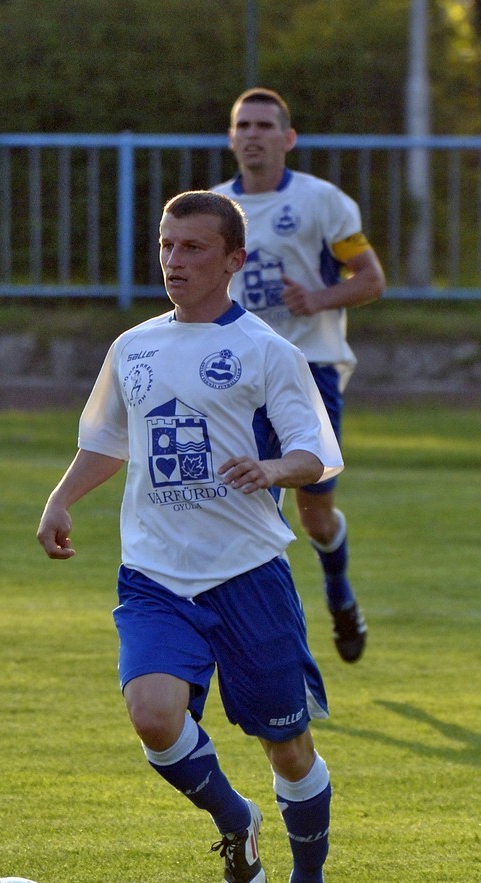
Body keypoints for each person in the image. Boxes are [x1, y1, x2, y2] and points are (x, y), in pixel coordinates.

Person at [37, 190, 344, 883]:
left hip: (248, 576)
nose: (174, 261)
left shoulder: (267, 351)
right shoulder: (133, 347)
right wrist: (62, 498)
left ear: (233, 260)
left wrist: (272, 467)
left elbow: (316, 453)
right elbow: (106, 441)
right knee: (152, 715)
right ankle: (236, 820)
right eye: (167, 245)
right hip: (155, 575)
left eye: (193, 248)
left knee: (289, 750)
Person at [214, 88, 386, 663]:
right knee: (249, 506)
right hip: (239, 375)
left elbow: (370, 278)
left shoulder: (321, 201)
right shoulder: (215, 208)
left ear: (287, 138)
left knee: (315, 516)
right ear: (231, 137)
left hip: (311, 369)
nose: (253, 135)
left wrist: (316, 299)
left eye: (265, 125)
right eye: (244, 125)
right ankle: (271, 646)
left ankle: (339, 593)